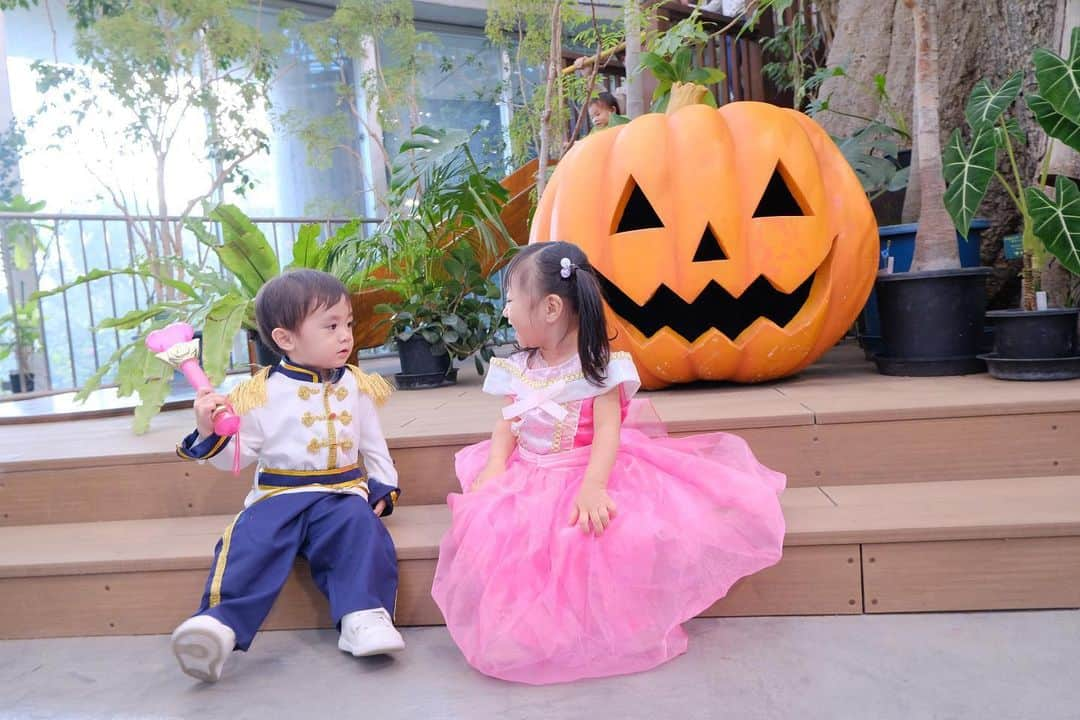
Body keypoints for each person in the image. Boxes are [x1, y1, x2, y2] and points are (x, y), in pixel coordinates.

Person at [430, 241, 787, 684]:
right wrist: (496, 464)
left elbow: (608, 433)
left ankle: (599, 626)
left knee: (594, 534)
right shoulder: (519, 366)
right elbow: (508, 422)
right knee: (500, 529)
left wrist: (594, 485)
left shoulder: (598, 369)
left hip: (583, 468)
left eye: (509, 301)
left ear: (551, 308)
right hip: (528, 473)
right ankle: (528, 629)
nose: (505, 312)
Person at [170, 269, 404, 683]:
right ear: (285, 339)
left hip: (342, 493)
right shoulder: (259, 392)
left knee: (360, 530)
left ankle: (364, 616)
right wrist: (209, 432)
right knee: (252, 540)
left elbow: (372, 443)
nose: (345, 335)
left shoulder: (357, 384)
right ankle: (218, 625)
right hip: (278, 496)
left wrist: (383, 484)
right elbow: (237, 459)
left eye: (347, 323)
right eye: (331, 326)